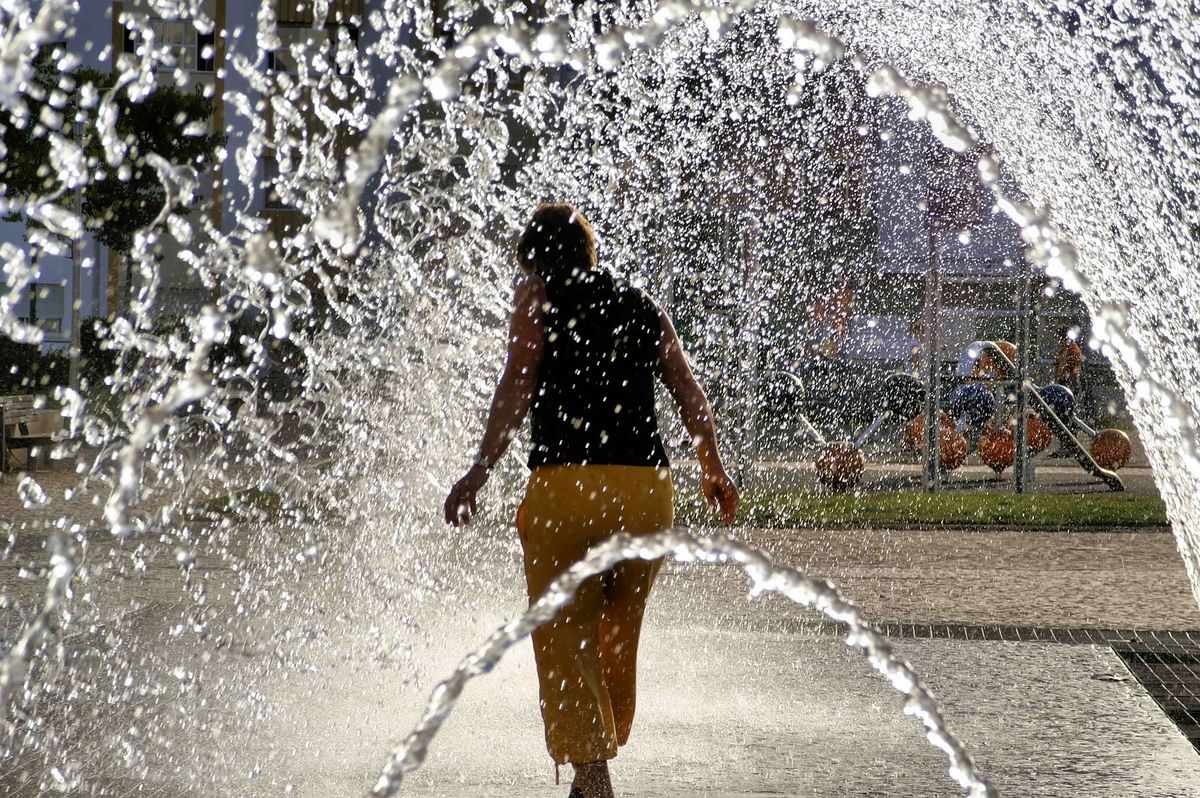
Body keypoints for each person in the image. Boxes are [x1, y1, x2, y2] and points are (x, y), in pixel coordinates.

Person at [443, 203, 740, 798]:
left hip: (565, 489)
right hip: (645, 495)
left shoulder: (536, 302)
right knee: (618, 625)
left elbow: (518, 383)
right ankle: (597, 754)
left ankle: (592, 770)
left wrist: (480, 469)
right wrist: (712, 465)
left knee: (562, 628)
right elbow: (686, 389)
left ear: (533, 261)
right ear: (589, 250)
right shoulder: (641, 304)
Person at [1054, 325, 1083, 401]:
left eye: (1059, 338)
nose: (1058, 340)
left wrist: (1065, 374)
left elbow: (1072, 366)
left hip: (1069, 381)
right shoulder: (1065, 348)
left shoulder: (1072, 349)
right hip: (1066, 381)